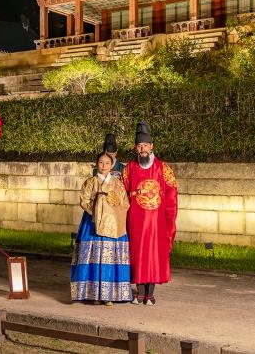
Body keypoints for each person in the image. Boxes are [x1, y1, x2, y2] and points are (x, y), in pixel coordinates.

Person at [121, 121, 178, 306]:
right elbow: (121, 194)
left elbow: (172, 194)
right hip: (136, 221)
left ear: (152, 146)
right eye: (139, 146)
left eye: (145, 145)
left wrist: (169, 217)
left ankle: (150, 293)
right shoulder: (128, 169)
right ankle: (140, 292)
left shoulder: (163, 168)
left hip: (156, 222)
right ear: (135, 148)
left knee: (153, 254)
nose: (142, 149)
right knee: (137, 253)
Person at [70, 152, 132, 305]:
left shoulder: (118, 184)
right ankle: (92, 293)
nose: (104, 166)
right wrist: (99, 210)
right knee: (93, 256)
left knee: (110, 258)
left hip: (113, 225)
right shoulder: (90, 182)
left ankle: (109, 294)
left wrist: (112, 210)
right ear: (96, 164)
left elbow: (125, 203)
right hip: (92, 222)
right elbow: (84, 201)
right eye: (101, 162)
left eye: (107, 163)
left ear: (112, 166)